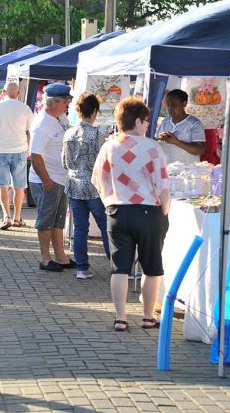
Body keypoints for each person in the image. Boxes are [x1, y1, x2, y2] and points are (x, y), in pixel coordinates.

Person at [92, 97, 170, 332]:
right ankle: (147, 316)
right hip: (149, 212)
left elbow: (98, 179)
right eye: (146, 120)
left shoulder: (108, 146)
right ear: (137, 121)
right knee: (152, 267)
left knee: (120, 268)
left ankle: (120, 317)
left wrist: (110, 201)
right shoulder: (153, 148)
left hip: (118, 212)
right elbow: (163, 185)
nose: (148, 124)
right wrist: (164, 211)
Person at [62, 92, 111, 279]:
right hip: (93, 185)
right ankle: (117, 264)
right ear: (95, 111)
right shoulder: (98, 134)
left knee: (80, 228)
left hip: (74, 184)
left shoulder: (68, 132)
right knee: (105, 225)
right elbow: (102, 163)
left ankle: (82, 268)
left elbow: (64, 162)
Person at [28, 83, 76, 272]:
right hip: (47, 180)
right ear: (54, 102)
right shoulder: (42, 124)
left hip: (59, 178)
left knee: (58, 220)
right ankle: (45, 258)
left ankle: (61, 256)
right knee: (46, 220)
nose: (68, 104)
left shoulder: (59, 117)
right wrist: (47, 180)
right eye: (66, 101)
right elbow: (35, 155)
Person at [0, 82, 33, 230]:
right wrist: (27, 148)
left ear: (4, 92)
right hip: (19, 150)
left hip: (0, 150)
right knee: (19, 187)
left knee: (2, 186)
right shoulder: (25, 109)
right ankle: (17, 217)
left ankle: (6, 217)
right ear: (18, 93)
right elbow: (30, 132)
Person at [155, 89, 206, 164]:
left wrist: (176, 142)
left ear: (184, 104)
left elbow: (200, 150)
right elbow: (158, 141)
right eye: (168, 105)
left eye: (174, 105)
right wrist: (158, 139)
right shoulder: (165, 121)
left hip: (187, 171)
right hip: (167, 169)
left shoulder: (194, 123)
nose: (170, 108)